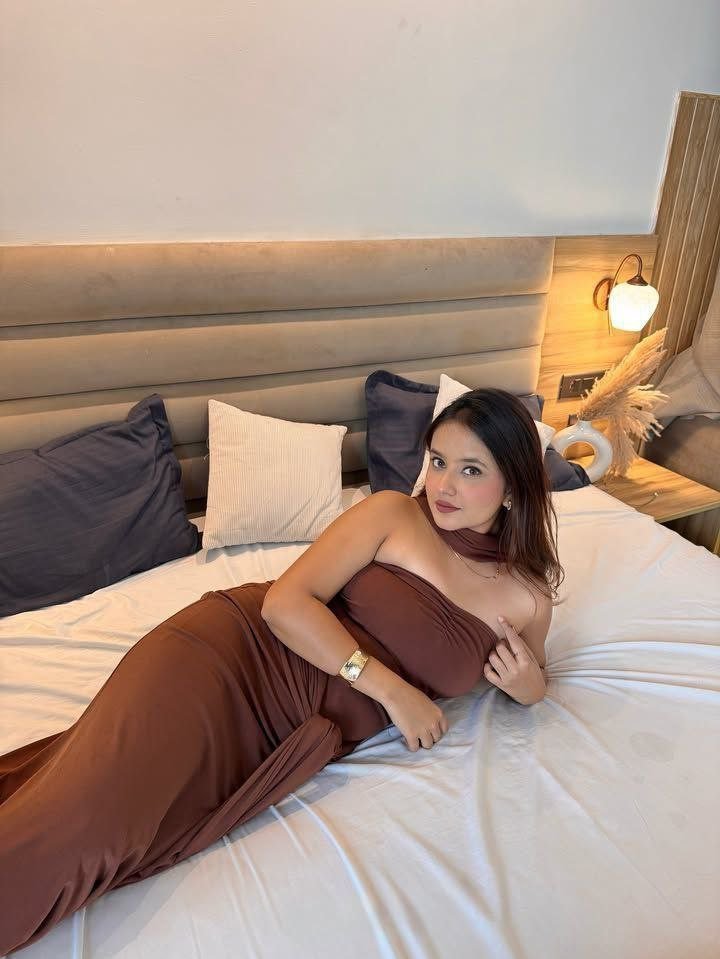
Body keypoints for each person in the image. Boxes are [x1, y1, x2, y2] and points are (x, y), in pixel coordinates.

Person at [0, 388, 563, 954]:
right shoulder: (393, 513)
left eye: (470, 470)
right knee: (89, 831)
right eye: (438, 461)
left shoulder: (528, 596)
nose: (442, 486)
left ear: (514, 485)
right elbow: (285, 605)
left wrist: (529, 688)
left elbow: (533, 673)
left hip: (282, 735)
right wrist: (395, 693)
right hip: (230, 656)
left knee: (127, 835)